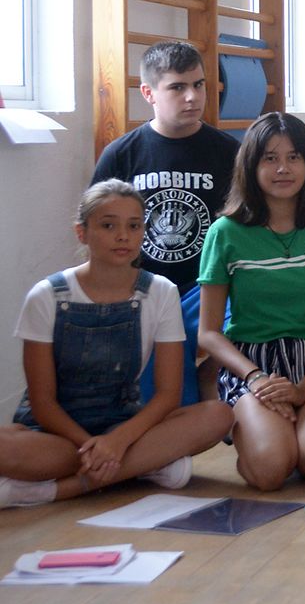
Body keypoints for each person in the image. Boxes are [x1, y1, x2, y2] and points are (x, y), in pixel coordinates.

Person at [0, 181, 232, 509]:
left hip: (126, 426)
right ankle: (143, 468)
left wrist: (117, 440)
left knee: (218, 415)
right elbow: (42, 401)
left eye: (134, 226)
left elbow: (168, 395)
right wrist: (95, 447)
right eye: (108, 225)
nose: (123, 236)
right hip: (56, 435)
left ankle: (60, 489)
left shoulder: (160, 292)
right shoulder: (46, 295)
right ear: (82, 232)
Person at [195, 113, 305, 491]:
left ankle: (292, 429)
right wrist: (254, 378)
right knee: (271, 470)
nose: (283, 168)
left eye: (294, 157)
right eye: (269, 158)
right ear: (250, 165)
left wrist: (304, 388)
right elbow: (208, 334)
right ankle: (261, 436)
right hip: (252, 365)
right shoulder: (225, 233)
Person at [92, 40, 239, 404]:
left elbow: (249, 229)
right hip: (146, 290)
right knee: (170, 405)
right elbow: (97, 230)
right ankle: (194, 390)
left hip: (208, 289)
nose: (193, 96)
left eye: (199, 85)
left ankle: (214, 378)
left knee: (267, 314)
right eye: (177, 87)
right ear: (149, 92)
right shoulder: (122, 154)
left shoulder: (229, 153)